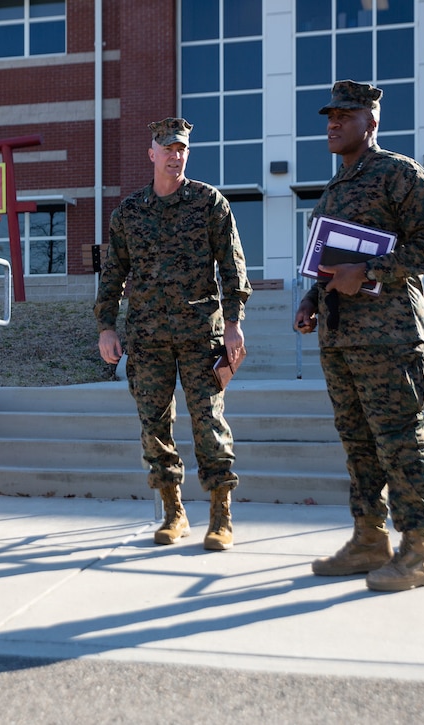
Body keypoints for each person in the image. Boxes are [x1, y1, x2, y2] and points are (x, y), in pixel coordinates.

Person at [293, 80, 424, 592]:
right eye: (330, 116)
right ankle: (368, 539)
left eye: (345, 115)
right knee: (359, 445)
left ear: (371, 122)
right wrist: (311, 300)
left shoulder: (398, 174)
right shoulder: (335, 188)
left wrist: (371, 271)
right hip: (340, 338)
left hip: (389, 336)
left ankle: (418, 550)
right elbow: (328, 265)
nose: (333, 124)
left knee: (400, 442)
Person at [95, 117, 251, 550]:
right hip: (147, 337)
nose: (175, 155)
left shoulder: (209, 203)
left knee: (209, 424)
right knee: (154, 426)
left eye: (181, 148)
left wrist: (235, 324)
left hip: (202, 334)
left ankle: (221, 516)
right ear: (152, 154)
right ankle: (173, 511)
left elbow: (233, 266)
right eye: (167, 148)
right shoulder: (129, 213)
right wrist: (107, 327)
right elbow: (112, 275)